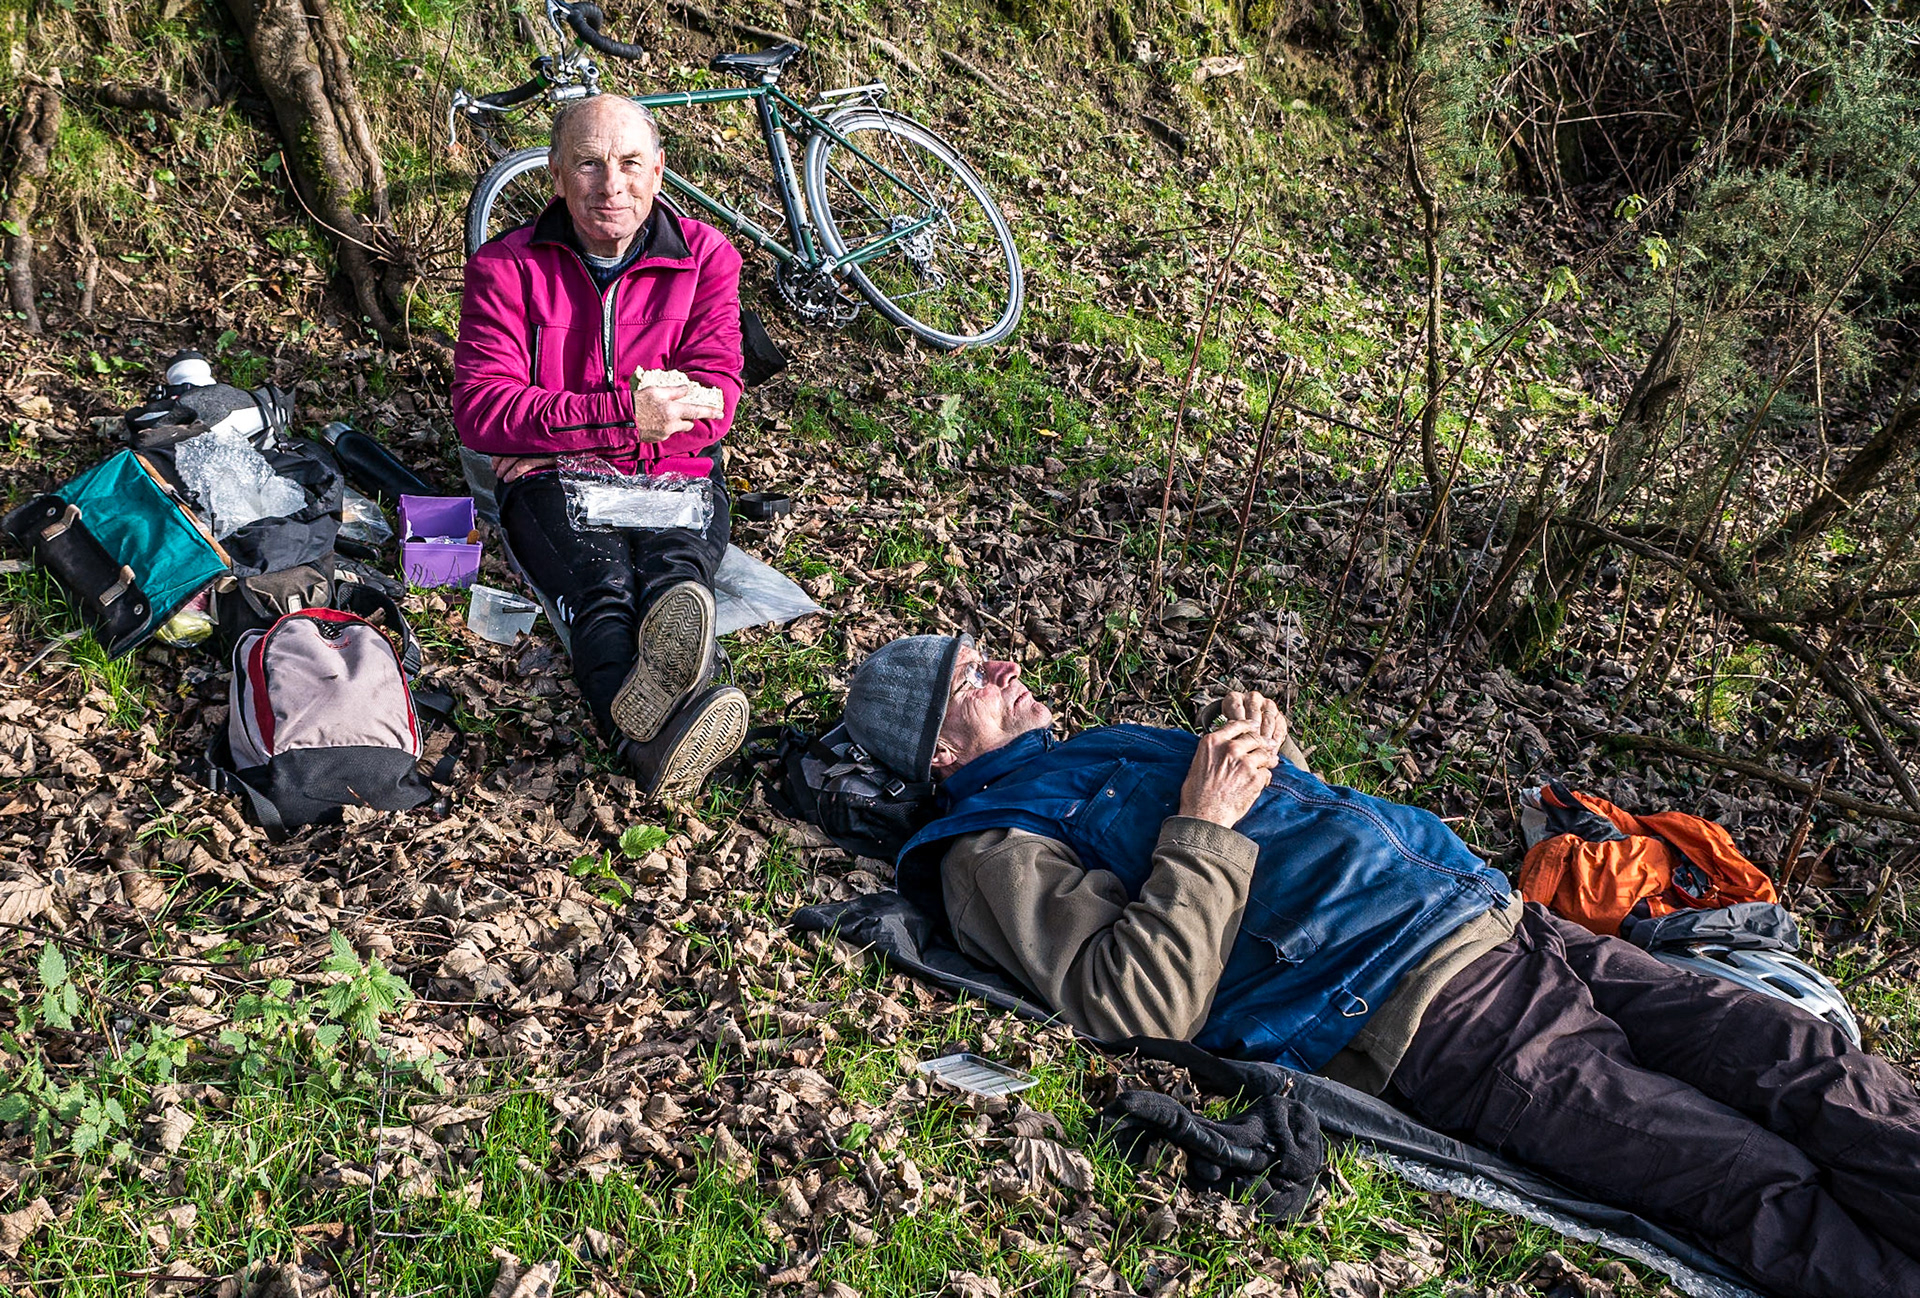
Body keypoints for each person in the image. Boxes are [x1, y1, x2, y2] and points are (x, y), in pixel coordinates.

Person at [842, 633, 1920, 1298]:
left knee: (1812, 1062)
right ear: (941, 751)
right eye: (974, 676)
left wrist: (1270, 756)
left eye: (987, 653)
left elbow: (1271, 855)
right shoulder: (992, 849)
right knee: (1745, 1174)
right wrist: (1207, 816)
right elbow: (1139, 1003)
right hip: (1437, 1015)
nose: (1008, 665)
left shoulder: (1084, 749)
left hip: (1514, 925)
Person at [452, 95, 748, 801]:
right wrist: (629, 417)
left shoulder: (707, 258)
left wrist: (554, 425)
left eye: (630, 163)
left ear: (659, 171)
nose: (611, 185)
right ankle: (652, 739)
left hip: (668, 473)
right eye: (588, 164)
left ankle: (665, 706)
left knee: (676, 578)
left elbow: (715, 403)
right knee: (602, 587)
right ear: (556, 175)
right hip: (552, 482)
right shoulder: (506, 266)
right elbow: (482, 410)